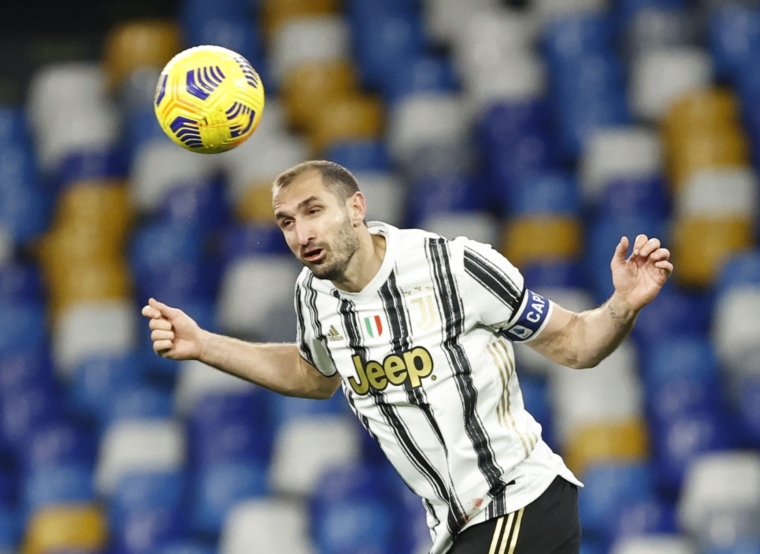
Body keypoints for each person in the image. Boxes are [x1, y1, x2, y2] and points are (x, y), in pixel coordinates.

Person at [142, 160, 673, 554]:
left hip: (520, 502)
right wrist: (204, 345)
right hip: (457, 526)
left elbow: (578, 345)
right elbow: (314, 374)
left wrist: (622, 304)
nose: (301, 234)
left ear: (356, 208)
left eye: (313, 211)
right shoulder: (313, 295)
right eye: (285, 222)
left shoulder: (454, 267)